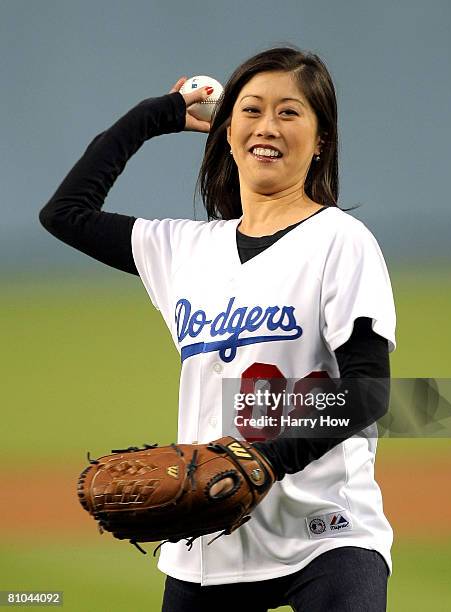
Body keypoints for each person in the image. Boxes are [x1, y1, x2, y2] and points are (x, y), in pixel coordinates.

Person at [39, 45, 396, 612]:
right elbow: (65, 213)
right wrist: (158, 114)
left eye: (289, 111)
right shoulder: (184, 250)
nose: (267, 126)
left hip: (328, 532)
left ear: (321, 138)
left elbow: (369, 390)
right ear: (227, 134)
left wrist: (266, 459)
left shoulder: (340, 241)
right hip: (207, 545)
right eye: (251, 110)